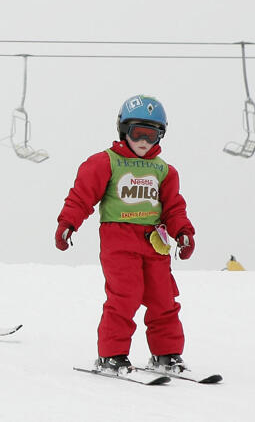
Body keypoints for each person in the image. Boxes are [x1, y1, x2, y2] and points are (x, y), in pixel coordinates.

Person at [55, 95, 195, 374]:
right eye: (137, 133)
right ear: (123, 130)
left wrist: (183, 232)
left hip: (155, 244)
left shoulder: (165, 171)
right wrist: (68, 223)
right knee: (124, 297)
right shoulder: (105, 162)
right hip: (119, 242)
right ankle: (112, 355)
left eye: (152, 135)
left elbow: (174, 207)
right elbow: (81, 197)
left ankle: (166, 354)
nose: (144, 141)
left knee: (164, 299)